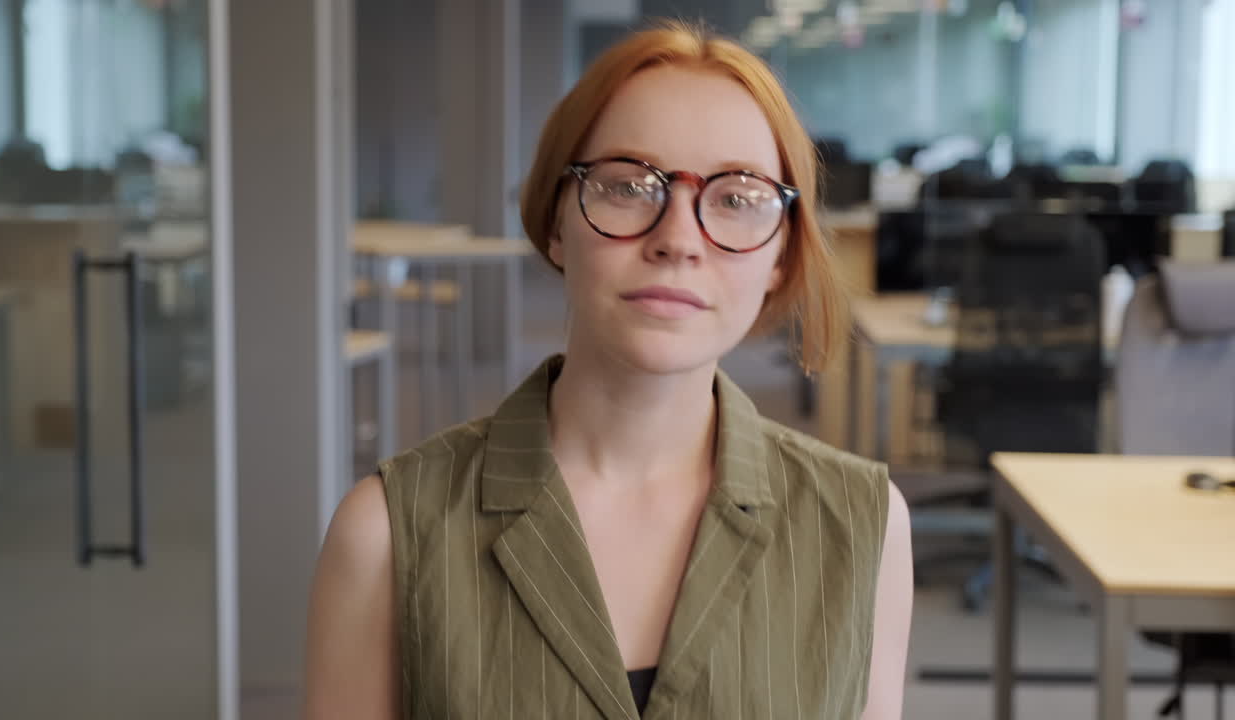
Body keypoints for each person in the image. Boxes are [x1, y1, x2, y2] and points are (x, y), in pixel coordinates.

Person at [306, 20, 912, 720]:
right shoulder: (387, 534)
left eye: (737, 198)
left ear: (781, 253)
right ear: (556, 221)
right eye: (628, 186)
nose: (679, 240)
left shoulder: (863, 528)